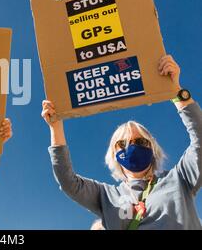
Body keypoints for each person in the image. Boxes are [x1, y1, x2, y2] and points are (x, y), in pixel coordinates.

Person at [41, 55, 201, 229]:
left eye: (140, 141)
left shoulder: (180, 178)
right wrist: (55, 127)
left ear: (153, 149)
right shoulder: (106, 195)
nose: (132, 146)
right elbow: (67, 181)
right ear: (114, 155)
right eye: (122, 144)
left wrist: (176, 91)